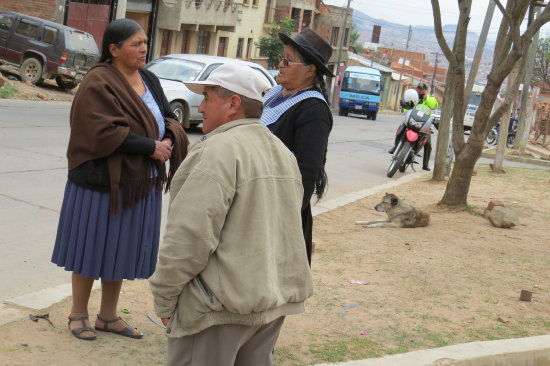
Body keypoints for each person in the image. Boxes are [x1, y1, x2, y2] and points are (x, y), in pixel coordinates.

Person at [149, 62, 313, 366]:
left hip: (218, 309)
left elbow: (189, 237)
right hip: (267, 305)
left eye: (209, 97)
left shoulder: (216, 151)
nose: (201, 108)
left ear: (233, 103)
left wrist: (165, 296)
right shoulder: (282, 153)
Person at [51, 18, 188, 341]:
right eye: (136, 44)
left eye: (144, 42)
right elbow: (100, 130)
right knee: (90, 247)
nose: (144, 48)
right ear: (114, 49)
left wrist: (169, 138)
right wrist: (150, 146)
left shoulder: (149, 79)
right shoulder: (98, 81)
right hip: (99, 183)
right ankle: (78, 314)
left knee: (120, 248)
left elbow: (169, 116)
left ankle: (108, 316)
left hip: (139, 181)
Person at [260, 27, 334, 266]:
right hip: (257, 204)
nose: (280, 64)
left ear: (310, 71)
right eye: (282, 58)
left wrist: (280, 221)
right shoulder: (275, 94)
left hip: (279, 215)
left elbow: (305, 175)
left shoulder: (313, 110)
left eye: (288, 61)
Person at [389, 82, 438, 171]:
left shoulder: (430, 98)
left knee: (428, 143)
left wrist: (426, 97)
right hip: (412, 119)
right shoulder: (414, 96)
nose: (420, 91)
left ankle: (425, 164)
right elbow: (407, 106)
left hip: (424, 124)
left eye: (422, 89)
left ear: (426, 90)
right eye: (419, 89)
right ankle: (396, 147)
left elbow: (434, 106)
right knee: (400, 129)